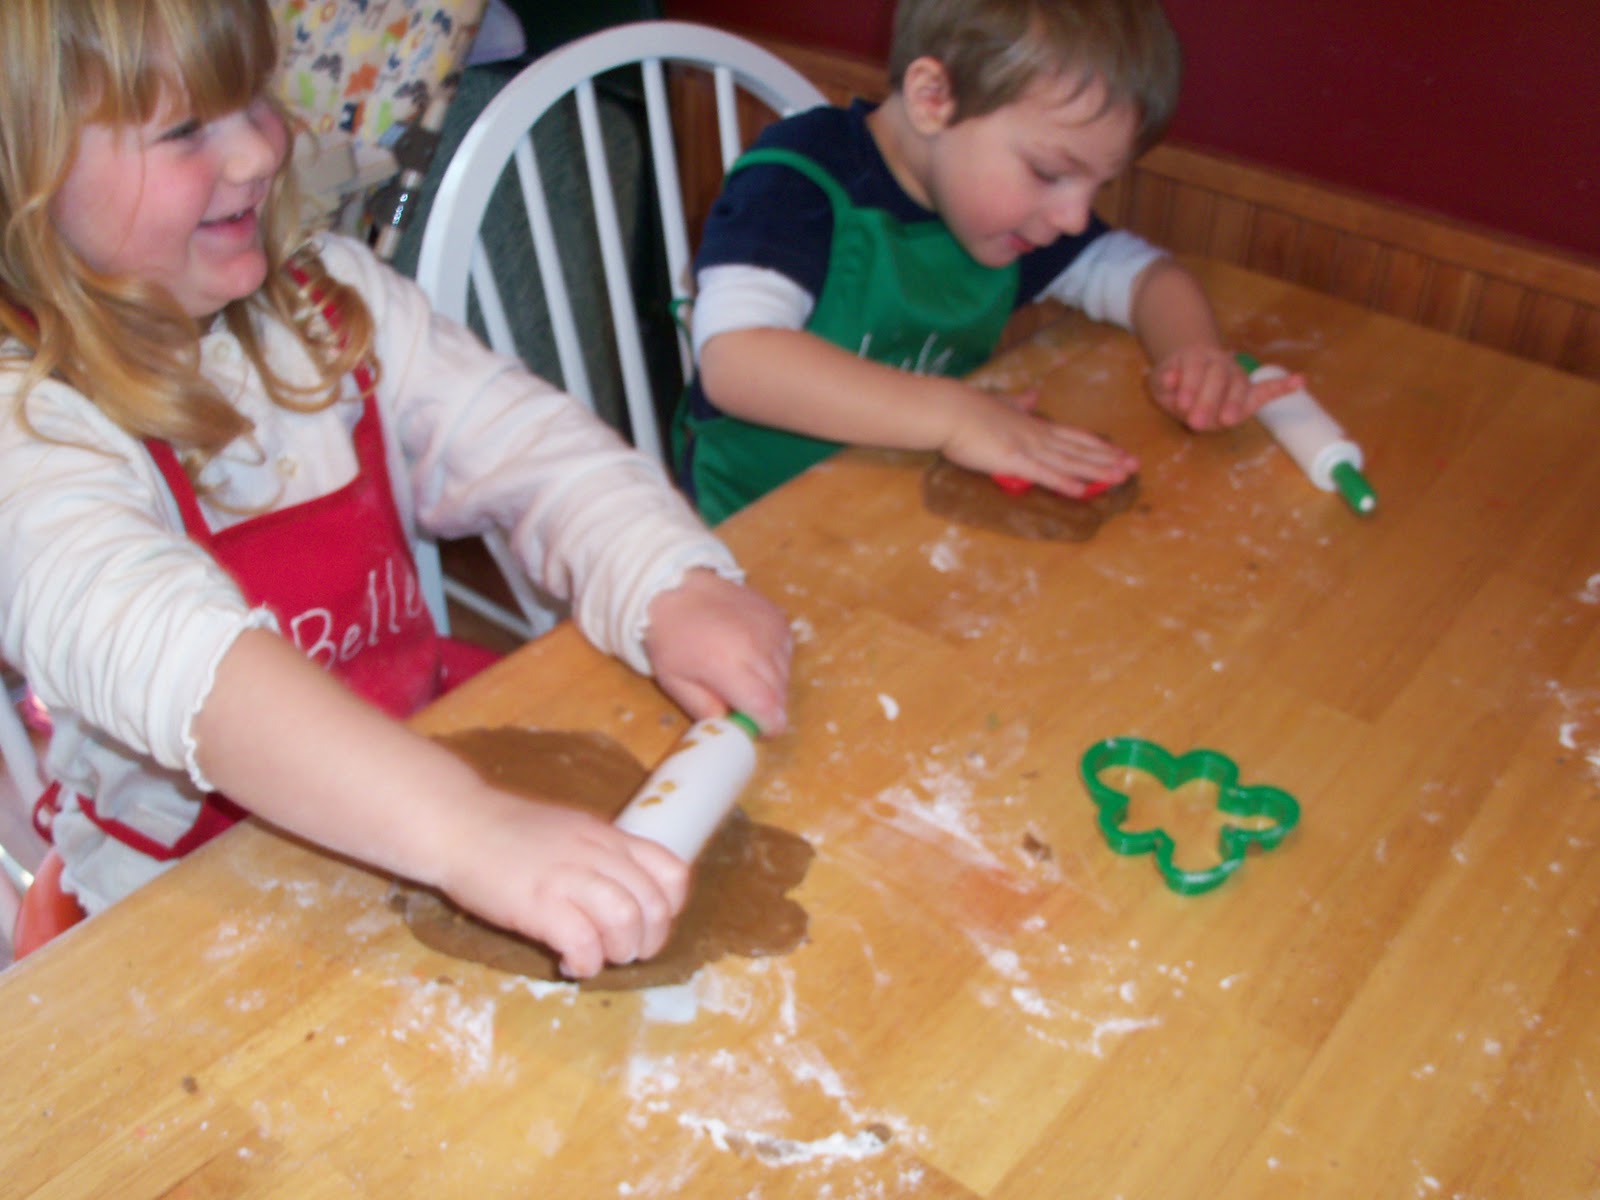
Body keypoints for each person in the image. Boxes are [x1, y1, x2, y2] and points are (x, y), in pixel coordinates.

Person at [0, 0, 791, 978]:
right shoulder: (25, 425)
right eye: (185, 130)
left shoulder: (330, 302)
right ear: (23, 178)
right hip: (183, 916)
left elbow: (533, 451)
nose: (257, 151)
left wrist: (670, 578)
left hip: (425, 781)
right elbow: (176, 656)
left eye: (253, 94)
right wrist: (465, 828)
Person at [673, 0, 1303, 525]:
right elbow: (737, 361)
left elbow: (1146, 276)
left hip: (892, 512)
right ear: (933, 98)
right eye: (1051, 173)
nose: (1074, 218)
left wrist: (1190, 354)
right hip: (747, 531)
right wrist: (955, 416)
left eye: (1097, 187)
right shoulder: (800, 177)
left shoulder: (1003, 215)